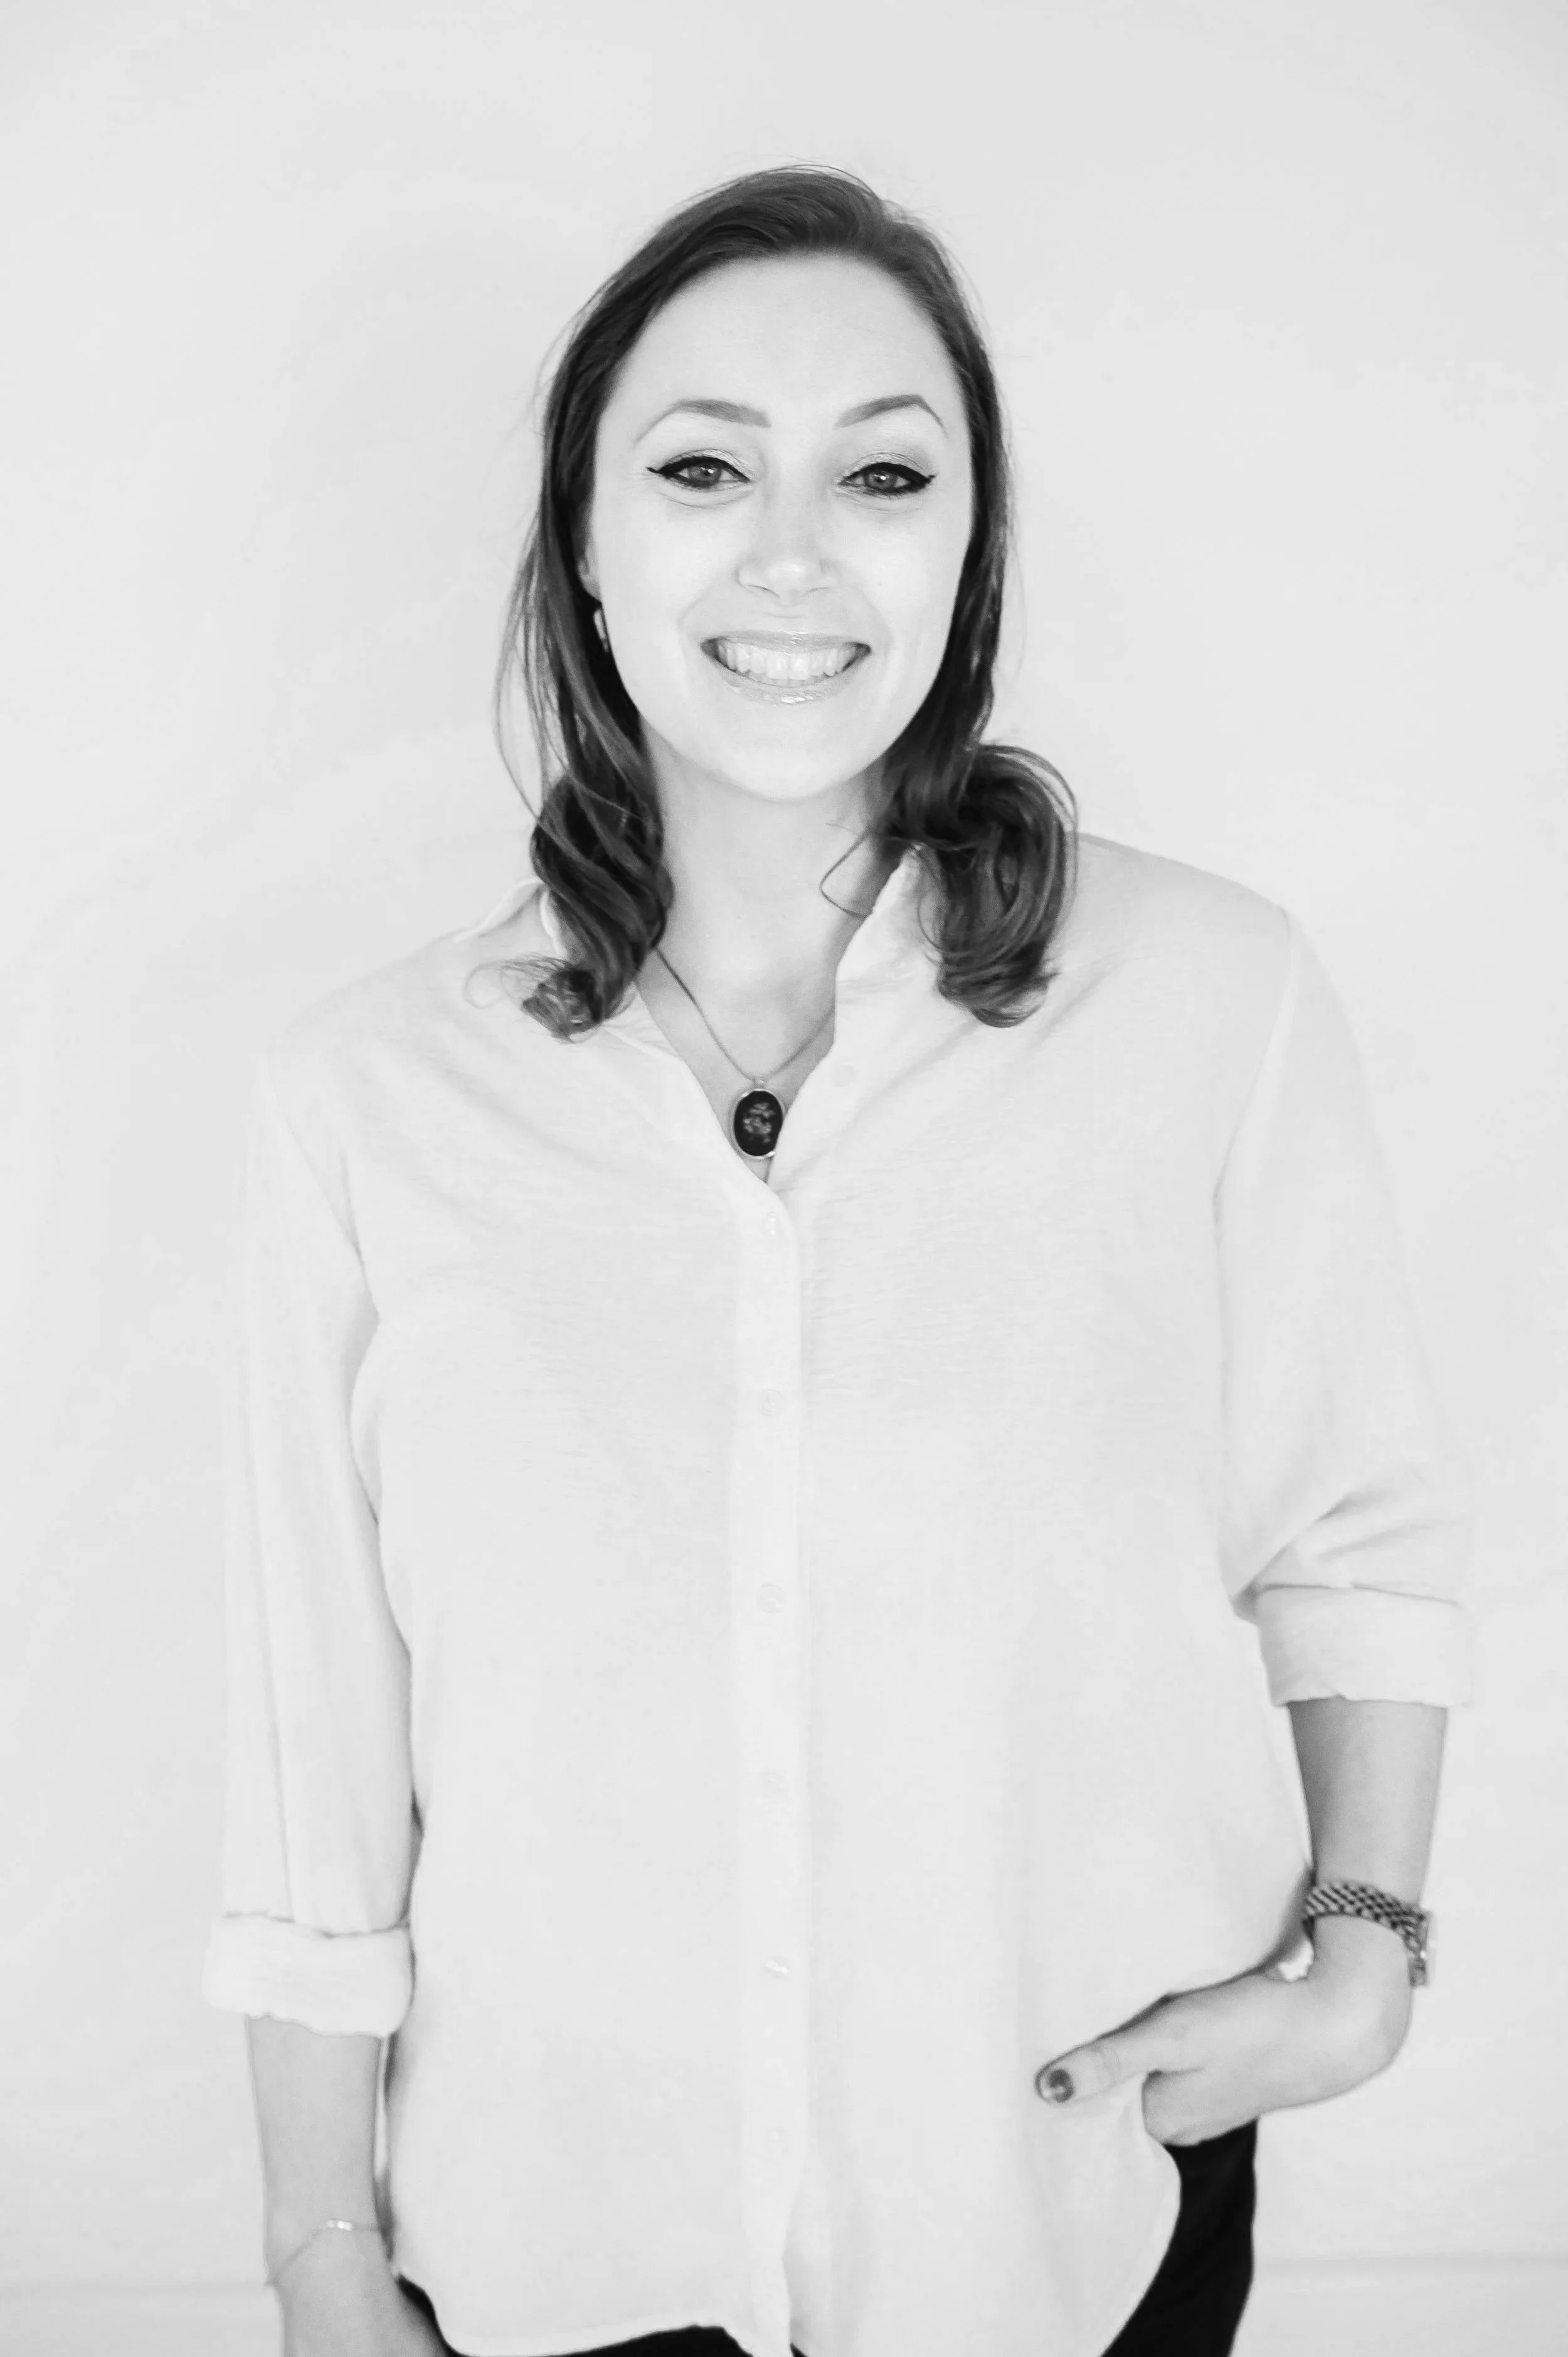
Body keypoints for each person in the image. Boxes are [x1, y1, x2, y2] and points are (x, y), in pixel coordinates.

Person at [201, 164, 1475, 2357]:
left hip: (1072, 2218)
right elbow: (318, 1749)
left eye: (883, 472)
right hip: (551, 2254)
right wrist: (321, 2255)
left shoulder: (1214, 1001)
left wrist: (1356, 1957)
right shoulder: (360, 1103)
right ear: (585, 549)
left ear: (962, 553)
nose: (792, 552)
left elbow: (1355, 1533)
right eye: (700, 468)